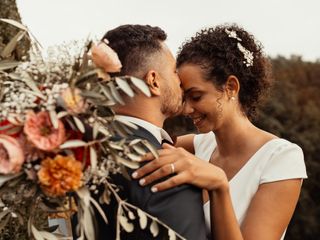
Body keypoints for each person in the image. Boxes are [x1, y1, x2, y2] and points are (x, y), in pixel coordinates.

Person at [132, 24, 308, 240]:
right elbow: (140, 138)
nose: (186, 109)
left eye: (196, 96)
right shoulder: (195, 146)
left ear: (231, 87)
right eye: (184, 97)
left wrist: (219, 187)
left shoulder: (282, 159)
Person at [92, 24, 207, 240]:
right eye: (174, 71)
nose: (180, 81)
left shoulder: (73, 151)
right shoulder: (165, 173)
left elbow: (57, 225)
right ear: (153, 81)